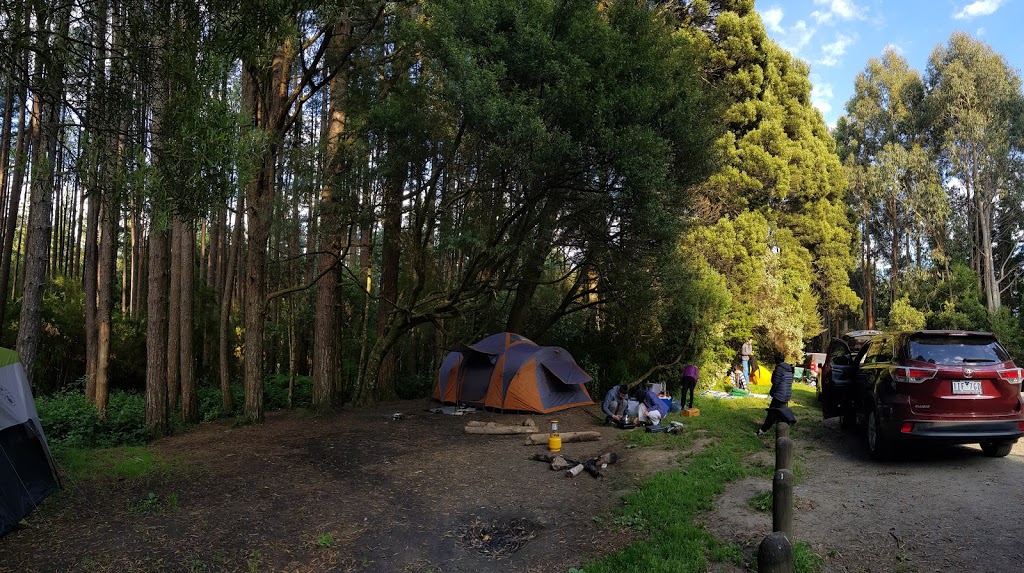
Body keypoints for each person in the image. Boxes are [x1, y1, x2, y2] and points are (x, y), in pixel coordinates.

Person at [757, 351, 794, 436]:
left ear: (776, 360)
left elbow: (775, 382)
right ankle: (781, 427)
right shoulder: (788, 368)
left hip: (780, 394)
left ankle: (763, 430)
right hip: (787, 394)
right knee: (781, 412)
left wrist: (772, 393)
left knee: (772, 412)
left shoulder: (779, 368)